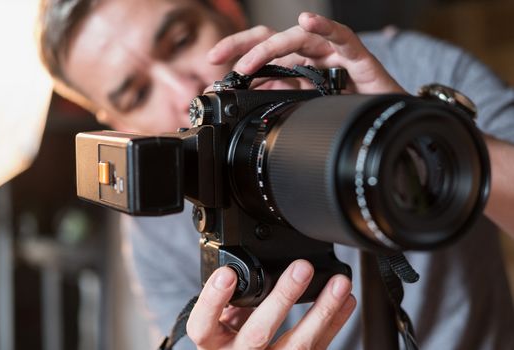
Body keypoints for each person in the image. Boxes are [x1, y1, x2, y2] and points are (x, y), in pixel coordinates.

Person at [37, 0, 514, 349]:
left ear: (226, 11)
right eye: (136, 94)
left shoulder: (401, 66)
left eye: (181, 39)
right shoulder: (153, 221)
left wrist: (412, 132)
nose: (185, 90)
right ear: (119, 126)